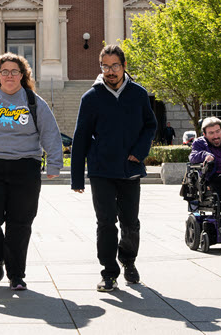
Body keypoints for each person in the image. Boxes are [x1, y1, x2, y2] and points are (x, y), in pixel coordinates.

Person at [0, 53, 63, 291]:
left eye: (15, 71)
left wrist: (55, 162)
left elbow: (50, 132)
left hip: (26, 167)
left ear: (23, 75)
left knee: (20, 223)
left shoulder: (34, 102)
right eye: (4, 71)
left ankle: (16, 275)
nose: (9, 76)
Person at [71, 44, 157, 293]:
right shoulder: (91, 98)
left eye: (115, 66)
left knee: (130, 222)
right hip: (101, 170)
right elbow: (81, 137)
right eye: (105, 66)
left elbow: (150, 126)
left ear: (124, 66)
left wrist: (139, 153)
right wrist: (77, 177)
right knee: (106, 223)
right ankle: (109, 272)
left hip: (130, 167)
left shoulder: (139, 94)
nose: (110, 71)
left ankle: (128, 261)